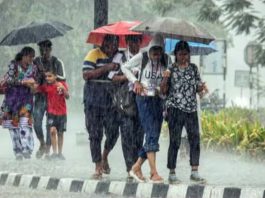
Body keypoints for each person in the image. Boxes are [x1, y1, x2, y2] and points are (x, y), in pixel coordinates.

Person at [122, 34, 171, 183]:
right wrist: (135, 81)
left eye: (159, 50)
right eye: (154, 49)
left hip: (158, 100)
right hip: (143, 99)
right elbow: (124, 67)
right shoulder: (142, 57)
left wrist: (166, 78)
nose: (156, 53)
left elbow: (165, 85)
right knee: (150, 133)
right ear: (149, 49)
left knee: (153, 136)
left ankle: (136, 167)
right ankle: (153, 172)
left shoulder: (167, 60)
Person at [160, 41, 208, 183]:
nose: (183, 57)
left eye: (186, 54)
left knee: (194, 140)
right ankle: (172, 172)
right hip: (175, 109)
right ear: (176, 55)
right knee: (174, 141)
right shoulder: (171, 69)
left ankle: (194, 171)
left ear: (189, 54)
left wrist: (202, 88)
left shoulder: (193, 69)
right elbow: (163, 91)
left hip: (191, 109)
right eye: (180, 54)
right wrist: (165, 78)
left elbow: (198, 87)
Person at [82, 34, 120, 179]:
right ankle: (97, 165)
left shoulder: (119, 56)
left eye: (115, 44)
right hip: (93, 101)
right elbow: (86, 75)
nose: (112, 47)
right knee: (95, 134)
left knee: (113, 132)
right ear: (103, 43)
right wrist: (106, 68)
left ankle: (105, 155)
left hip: (112, 101)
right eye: (109, 44)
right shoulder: (93, 54)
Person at [108, 35, 144, 179]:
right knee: (127, 135)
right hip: (125, 101)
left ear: (140, 43)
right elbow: (112, 78)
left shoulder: (144, 58)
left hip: (141, 100)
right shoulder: (120, 57)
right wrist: (128, 76)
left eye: (137, 41)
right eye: (131, 41)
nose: (134, 44)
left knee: (139, 136)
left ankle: (137, 167)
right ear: (127, 42)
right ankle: (130, 168)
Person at [1, 47, 37, 160]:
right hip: (12, 100)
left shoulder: (34, 67)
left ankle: (27, 149)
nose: (32, 59)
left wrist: (33, 85)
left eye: (33, 57)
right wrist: (23, 82)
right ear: (24, 56)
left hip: (26, 100)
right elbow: (9, 80)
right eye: (30, 56)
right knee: (13, 127)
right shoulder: (14, 65)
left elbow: (35, 81)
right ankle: (18, 151)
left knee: (25, 125)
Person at [33, 40, 66, 159]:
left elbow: (63, 78)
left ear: (50, 49)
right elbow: (31, 76)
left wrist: (51, 76)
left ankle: (48, 148)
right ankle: (42, 142)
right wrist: (38, 77)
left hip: (53, 96)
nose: (44, 52)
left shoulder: (57, 62)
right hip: (40, 95)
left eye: (46, 49)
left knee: (50, 124)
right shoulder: (36, 61)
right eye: (42, 49)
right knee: (36, 121)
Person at [34, 69, 69, 160]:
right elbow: (35, 89)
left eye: (50, 76)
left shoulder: (62, 84)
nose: (47, 78)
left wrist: (63, 89)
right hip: (51, 113)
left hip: (62, 113)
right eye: (46, 76)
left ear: (55, 76)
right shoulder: (46, 87)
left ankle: (60, 153)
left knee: (60, 133)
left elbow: (67, 96)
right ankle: (54, 152)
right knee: (52, 131)